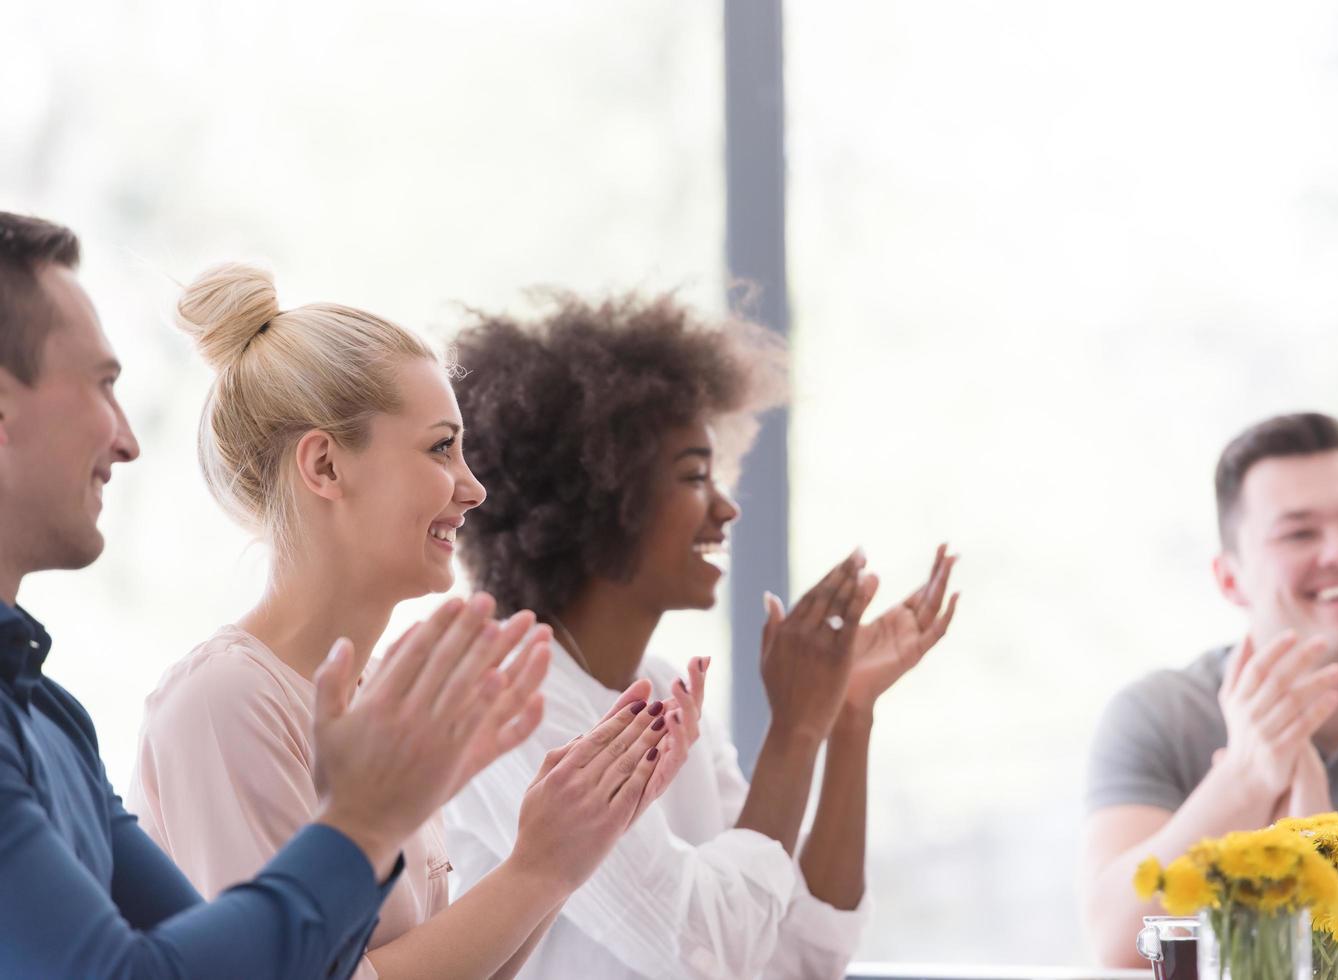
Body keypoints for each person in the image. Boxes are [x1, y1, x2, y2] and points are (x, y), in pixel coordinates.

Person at [0, 212, 544, 978]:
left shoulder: (49, 715)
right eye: (101, 385)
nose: (128, 439)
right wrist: (373, 821)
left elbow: (243, 959)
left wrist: (539, 858)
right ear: (323, 466)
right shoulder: (215, 698)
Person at [125, 264, 699, 980]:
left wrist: (571, 850)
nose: (473, 486)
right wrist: (536, 868)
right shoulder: (225, 703)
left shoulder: (371, 704)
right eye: (439, 447)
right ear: (326, 466)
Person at [441, 292, 959, 979]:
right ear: (597, 498)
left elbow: (802, 955)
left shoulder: (657, 686)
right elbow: (695, 951)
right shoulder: (511, 698)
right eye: (693, 475)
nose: (726, 507)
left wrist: (847, 715)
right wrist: (793, 731)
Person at [1082, 412, 1338, 979]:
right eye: (1299, 533)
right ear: (1230, 579)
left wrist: (1337, 844)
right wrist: (1243, 778)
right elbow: (1117, 942)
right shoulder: (1157, 714)